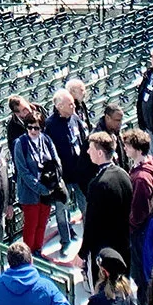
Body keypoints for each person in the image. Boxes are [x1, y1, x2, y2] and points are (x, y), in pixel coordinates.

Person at [11, 109, 62, 258]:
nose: (33, 130)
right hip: (30, 192)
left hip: (47, 189)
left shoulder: (46, 140)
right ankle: (28, 254)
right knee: (31, 225)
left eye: (36, 127)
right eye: (30, 127)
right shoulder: (20, 144)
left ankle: (38, 250)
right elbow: (23, 171)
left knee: (42, 223)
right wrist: (40, 188)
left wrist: (53, 182)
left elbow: (56, 160)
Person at [78, 131, 132, 269]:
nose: (88, 152)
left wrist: (82, 253)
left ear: (100, 153)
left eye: (91, 148)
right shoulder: (124, 174)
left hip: (105, 250)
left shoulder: (97, 184)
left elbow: (91, 222)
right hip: (124, 243)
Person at [45, 88, 89, 257]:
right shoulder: (50, 125)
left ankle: (88, 238)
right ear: (59, 106)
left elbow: (83, 140)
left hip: (78, 173)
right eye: (70, 104)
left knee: (84, 206)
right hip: (61, 177)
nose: (73, 107)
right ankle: (65, 240)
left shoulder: (75, 119)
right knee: (62, 209)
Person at [123, 127, 153, 279]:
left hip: (140, 231)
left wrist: (129, 227)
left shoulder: (141, 178)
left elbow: (139, 212)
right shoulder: (150, 162)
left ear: (138, 150)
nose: (124, 148)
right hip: (145, 227)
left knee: (139, 273)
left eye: (128, 146)